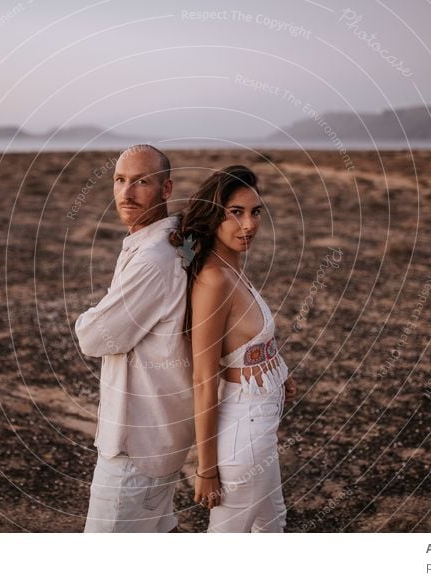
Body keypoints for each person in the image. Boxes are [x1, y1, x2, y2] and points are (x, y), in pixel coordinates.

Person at [169, 165, 296, 533]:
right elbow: (204, 376)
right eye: (235, 213)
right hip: (246, 429)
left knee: (272, 525)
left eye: (255, 212)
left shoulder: (231, 266)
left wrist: (278, 372)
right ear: (214, 215)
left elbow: (247, 341)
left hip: (262, 421)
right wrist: (206, 470)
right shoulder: (214, 280)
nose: (249, 225)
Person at [75, 145, 194, 532]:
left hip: (135, 444)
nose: (126, 192)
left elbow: (95, 337)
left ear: (165, 189)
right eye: (120, 180)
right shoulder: (165, 242)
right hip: (158, 435)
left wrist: (88, 318)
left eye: (141, 182)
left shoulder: (155, 257)